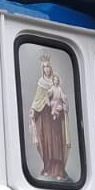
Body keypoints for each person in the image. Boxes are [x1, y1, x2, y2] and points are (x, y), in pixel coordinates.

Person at [27, 54, 71, 182]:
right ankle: (47, 168)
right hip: (45, 118)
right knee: (46, 143)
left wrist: (60, 108)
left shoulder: (56, 84)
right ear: (43, 69)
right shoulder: (41, 83)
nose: (47, 69)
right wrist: (33, 109)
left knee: (56, 143)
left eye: (48, 67)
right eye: (45, 67)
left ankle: (58, 170)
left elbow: (63, 100)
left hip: (55, 120)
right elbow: (38, 99)